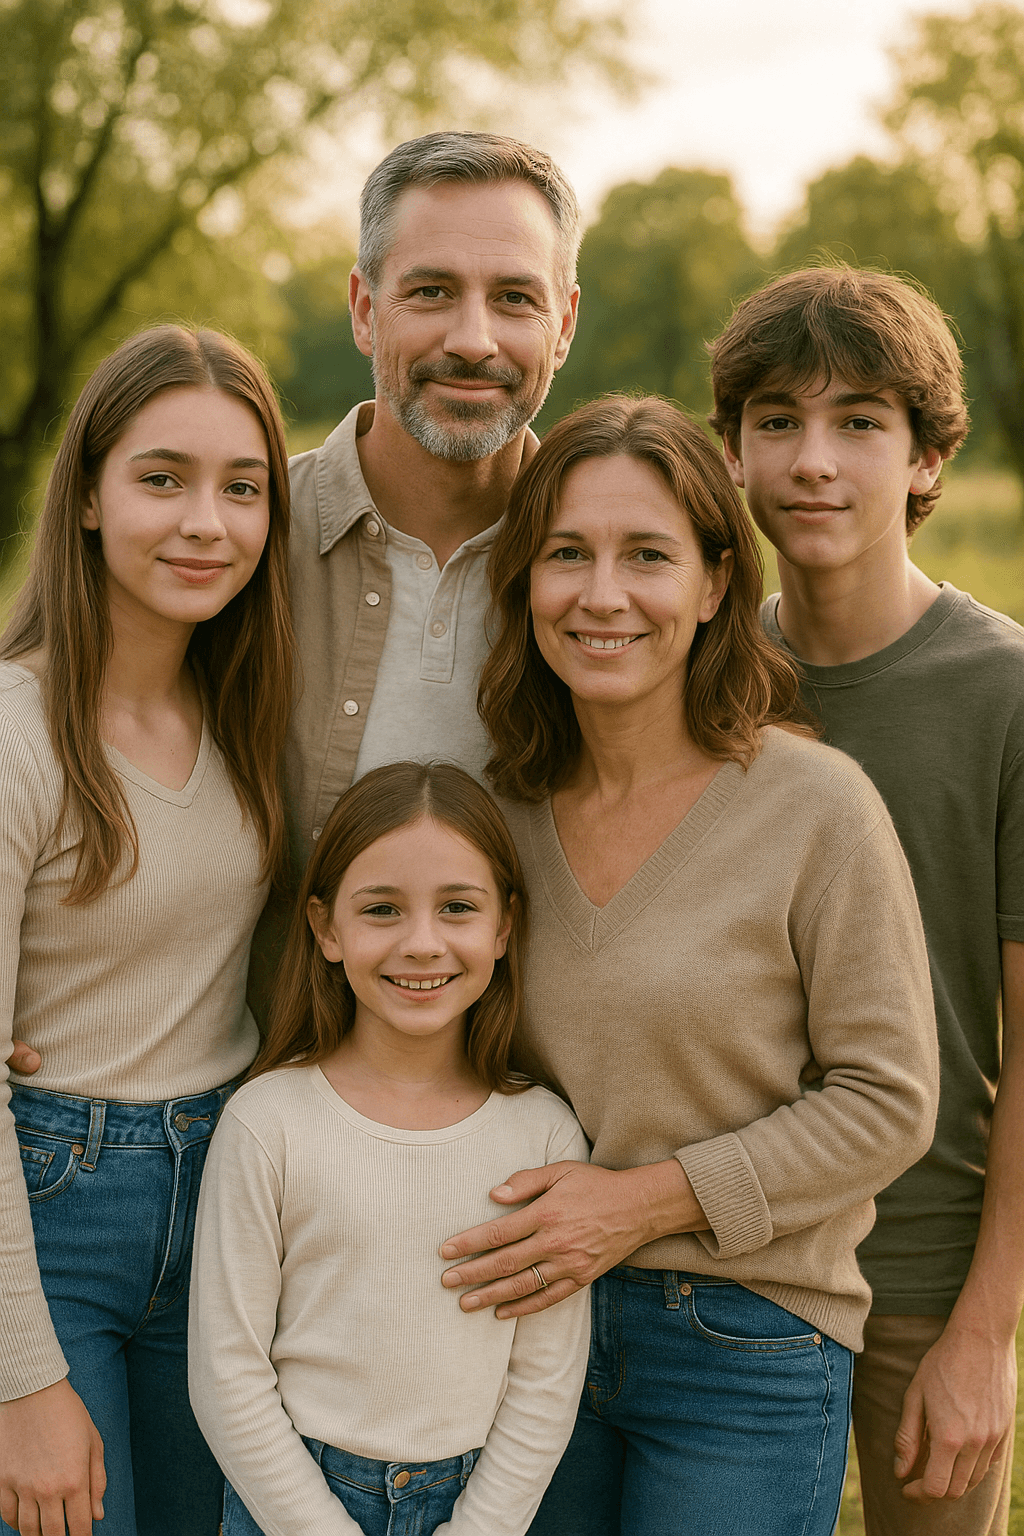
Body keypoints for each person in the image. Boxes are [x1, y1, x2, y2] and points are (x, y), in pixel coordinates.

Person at [436, 396, 940, 1535]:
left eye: (646, 557)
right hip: (525, 1331)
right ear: (524, 580)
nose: (600, 595)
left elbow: (889, 1101)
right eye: (566, 553)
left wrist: (640, 1206)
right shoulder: (493, 815)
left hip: (745, 1342)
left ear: (716, 585)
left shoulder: (815, 808)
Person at [709, 266, 1024, 1535]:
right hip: (727, 1269)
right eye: (776, 420)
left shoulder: (1001, 694)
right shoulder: (701, 677)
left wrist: (982, 1334)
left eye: (859, 423)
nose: (812, 462)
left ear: (926, 456)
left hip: (921, 1278)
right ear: (732, 450)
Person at [0, 326, 294, 1536]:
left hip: (226, 1200)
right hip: (58, 1213)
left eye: (242, 488)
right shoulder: (18, 733)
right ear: (86, 498)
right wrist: (21, 1380)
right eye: (161, 478)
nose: (205, 524)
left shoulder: (241, 710)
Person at [188, 762, 590, 1536]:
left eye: (458, 908)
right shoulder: (266, 1121)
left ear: (504, 927)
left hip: (481, 1502)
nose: (422, 943)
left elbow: (545, 1379)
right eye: (382, 909)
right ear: (326, 928)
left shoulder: (543, 1133)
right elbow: (226, 1372)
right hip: (294, 1498)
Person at [282, 130, 580, 873]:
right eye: (431, 291)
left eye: (515, 298)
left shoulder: (620, 579)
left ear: (564, 325)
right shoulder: (245, 537)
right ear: (363, 309)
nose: (474, 340)